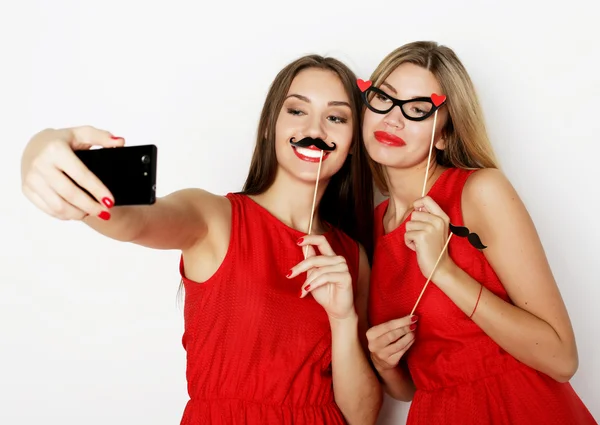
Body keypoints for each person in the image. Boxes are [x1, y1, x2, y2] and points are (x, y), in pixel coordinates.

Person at [20, 55, 382, 425]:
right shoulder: (213, 217)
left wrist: (343, 318)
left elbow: (362, 417)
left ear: (354, 142)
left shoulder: (352, 257)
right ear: (269, 126)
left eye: (336, 117)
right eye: (296, 111)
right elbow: (133, 221)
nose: (316, 128)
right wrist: (44, 152)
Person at [361, 41, 597, 424]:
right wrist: (384, 365)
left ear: (445, 135)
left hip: (520, 410)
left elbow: (561, 358)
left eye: (419, 109)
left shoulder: (480, 192)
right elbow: (414, 386)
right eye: (383, 99)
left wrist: (444, 271)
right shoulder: (371, 227)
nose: (393, 119)